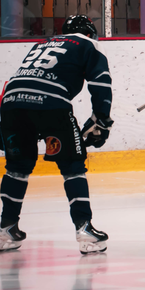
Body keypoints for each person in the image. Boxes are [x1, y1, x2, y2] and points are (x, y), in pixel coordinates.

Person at [0, 15, 111, 254]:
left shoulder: (42, 43)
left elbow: (22, 79)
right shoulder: (88, 43)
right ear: (90, 32)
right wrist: (101, 118)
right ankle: (84, 229)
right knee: (73, 165)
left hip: (11, 103)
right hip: (50, 104)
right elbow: (101, 82)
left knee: (16, 168)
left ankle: (6, 228)